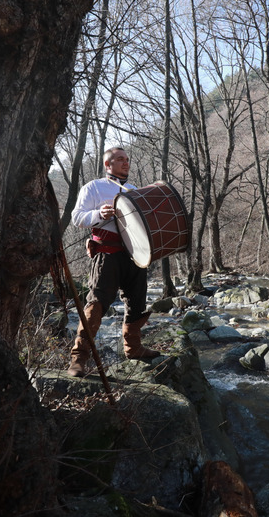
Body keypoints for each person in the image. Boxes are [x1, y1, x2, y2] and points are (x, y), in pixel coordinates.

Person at [67, 147, 160, 377]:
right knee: (96, 304)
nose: (125, 163)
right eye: (120, 160)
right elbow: (77, 217)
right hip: (106, 254)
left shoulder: (134, 190)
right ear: (108, 165)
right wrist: (99, 214)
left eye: (127, 160)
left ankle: (133, 348)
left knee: (136, 303)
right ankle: (79, 358)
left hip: (134, 255)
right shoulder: (94, 187)